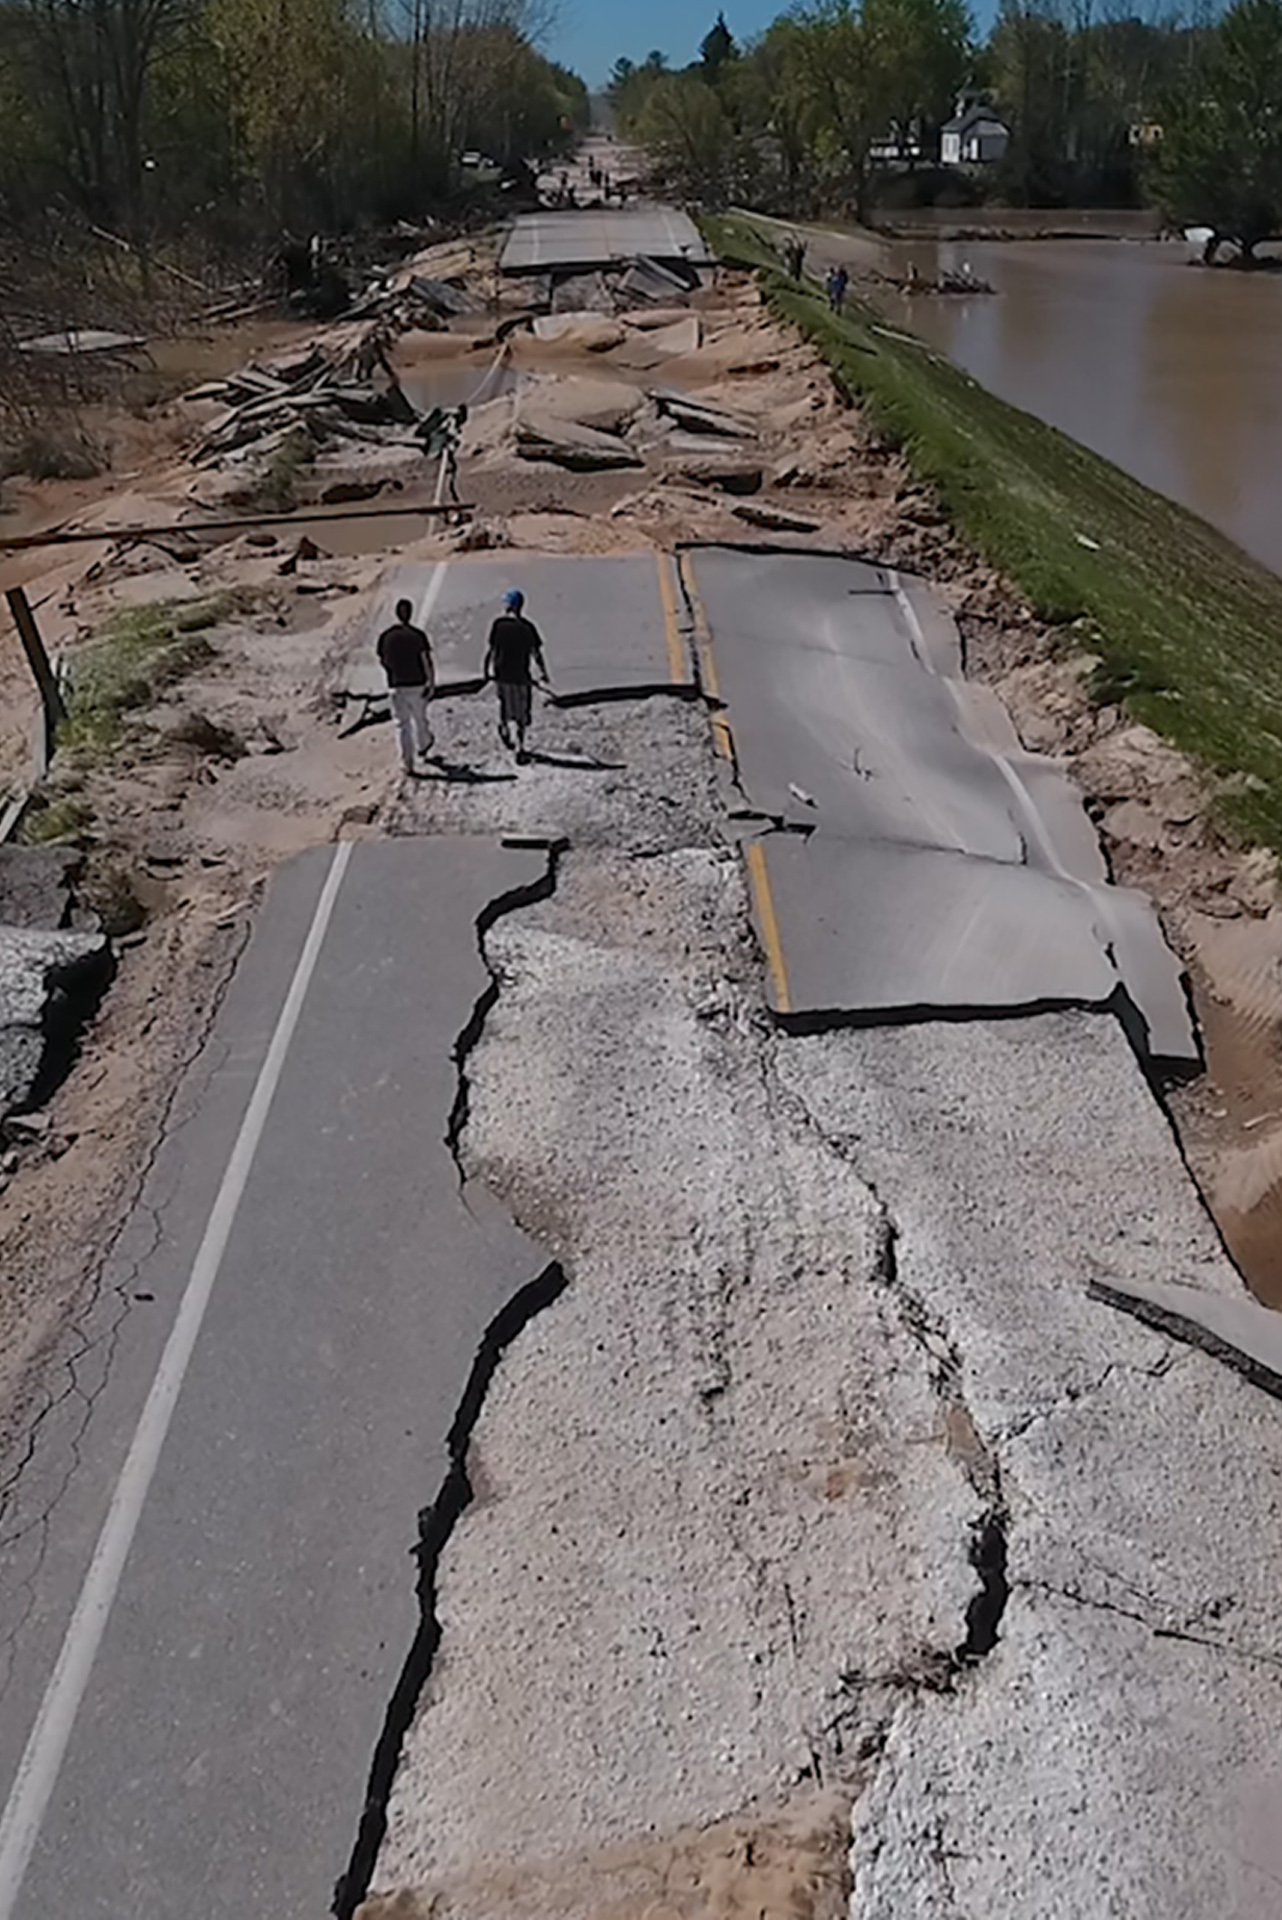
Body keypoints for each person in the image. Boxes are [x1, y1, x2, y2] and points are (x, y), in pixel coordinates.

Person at [483, 587, 548, 760]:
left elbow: (491, 650)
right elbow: (536, 653)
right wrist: (543, 673)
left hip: (502, 674)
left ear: (508, 606)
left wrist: (486, 669)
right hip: (521, 676)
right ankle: (520, 745)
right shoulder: (528, 628)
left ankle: (503, 726)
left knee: (504, 703)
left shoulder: (498, 625)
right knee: (522, 712)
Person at [377, 597, 435, 774]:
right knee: (420, 719)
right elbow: (427, 661)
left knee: (402, 725)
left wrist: (390, 672)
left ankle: (407, 763)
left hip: (396, 685)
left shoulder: (386, 637)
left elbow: (382, 659)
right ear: (410, 614)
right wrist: (431, 682)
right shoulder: (418, 636)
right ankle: (424, 744)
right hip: (417, 684)